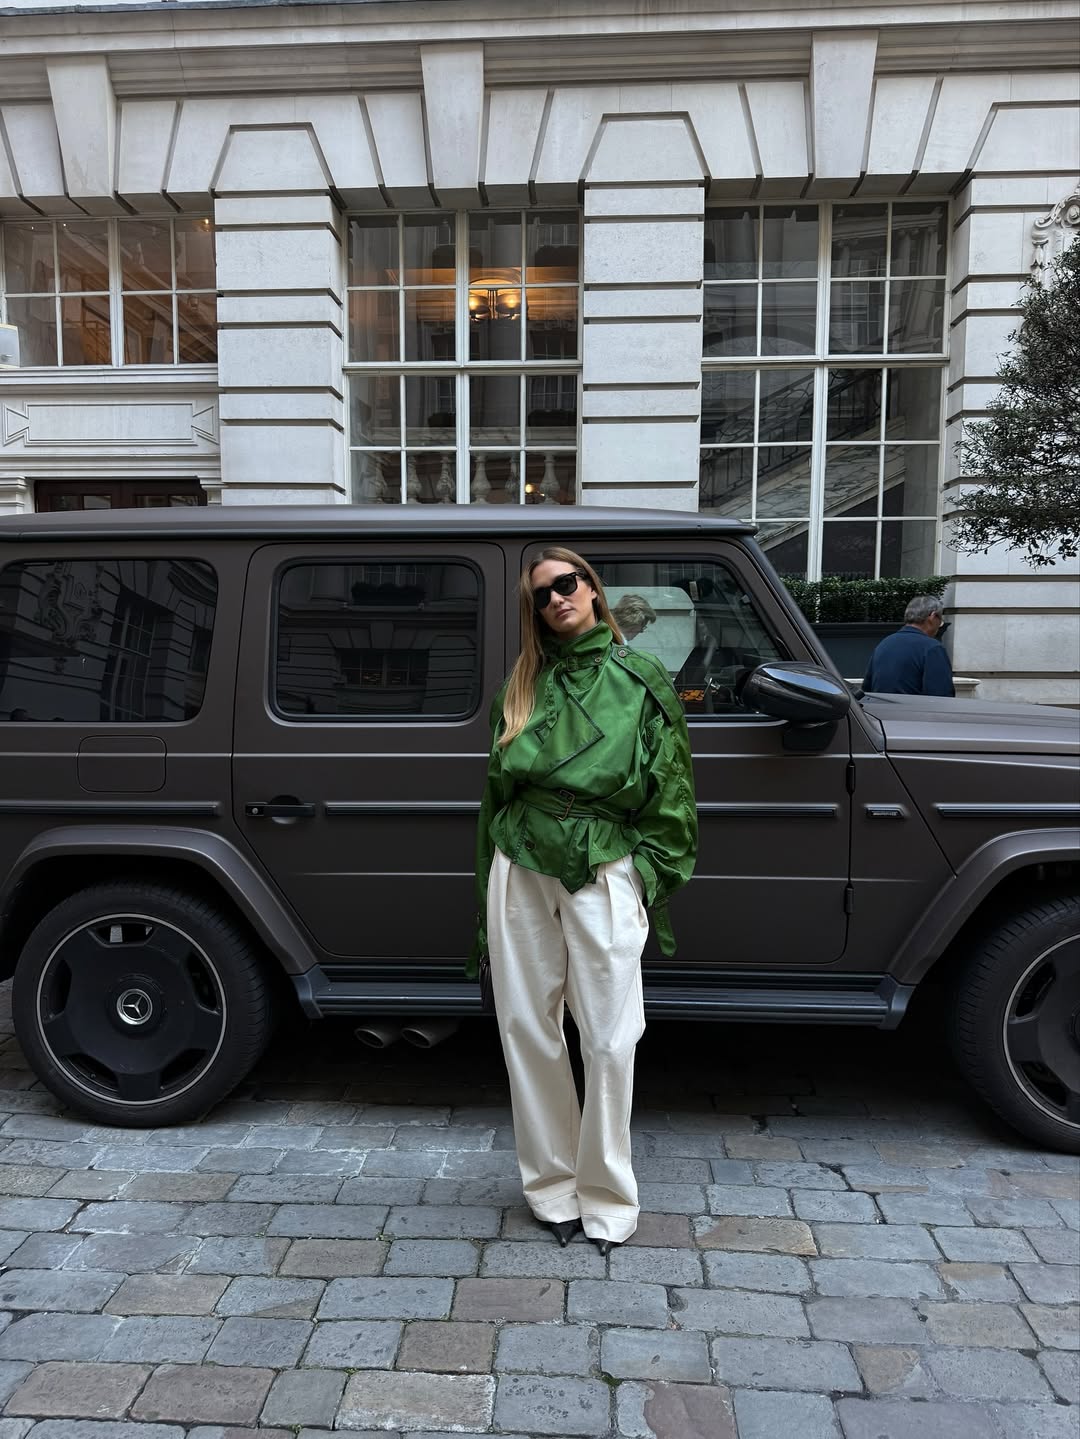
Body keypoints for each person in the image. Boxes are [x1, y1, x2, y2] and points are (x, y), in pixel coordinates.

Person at [471, 547, 697, 1254]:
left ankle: (607, 1195)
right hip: (520, 857)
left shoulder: (641, 678)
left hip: (603, 860)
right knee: (527, 1027)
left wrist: (645, 878)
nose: (556, 598)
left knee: (608, 1034)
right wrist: (488, 884)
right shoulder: (522, 684)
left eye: (566, 584)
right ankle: (552, 1188)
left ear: (594, 591)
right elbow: (493, 796)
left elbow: (672, 788)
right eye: (541, 594)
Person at [863, 594, 955, 697]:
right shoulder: (932, 648)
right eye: (940, 620)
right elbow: (941, 697)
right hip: (915, 711)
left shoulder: (884, 644)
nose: (940, 625)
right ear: (932, 616)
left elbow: (867, 690)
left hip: (880, 712)